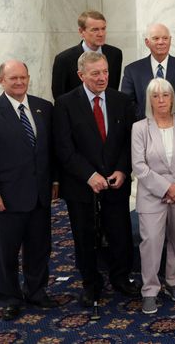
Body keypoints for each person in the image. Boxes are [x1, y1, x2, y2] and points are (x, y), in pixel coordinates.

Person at [0, 60, 58, 320]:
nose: (19, 82)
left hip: (39, 196)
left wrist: (54, 181)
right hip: (5, 199)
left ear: (28, 78)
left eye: (23, 77)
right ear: (1, 81)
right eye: (13, 79)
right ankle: (9, 297)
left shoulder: (44, 108)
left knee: (39, 247)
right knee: (6, 251)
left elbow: (49, 151)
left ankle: (37, 291)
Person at [53, 51, 138, 308]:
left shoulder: (121, 100)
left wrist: (123, 170)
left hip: (116, 182)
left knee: (120, 232)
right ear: (81, 75)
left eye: (105, 72)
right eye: (95, 73)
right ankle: (91, 283)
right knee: (84, 236)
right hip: (81, 185)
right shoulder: (66, 104)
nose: (102, 78)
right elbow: (64, 148)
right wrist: (89, 176)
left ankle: (121, 278)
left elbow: (128, 141)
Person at [132, 78, 175, 314]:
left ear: (172, 98)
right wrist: (166, 188)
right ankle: (150, 290)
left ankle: (173, 281)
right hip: (153, 195)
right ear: (149, 100)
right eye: (155, 96)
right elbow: (139, 166)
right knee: (151, 242)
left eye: (166, 95)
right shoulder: (140, 128)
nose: (161, 100)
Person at [121, 23, 175, 120]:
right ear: (147, 42)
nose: (161, 42)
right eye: (156, 38)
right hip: (144, 127)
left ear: (170, 40)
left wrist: (172, 120)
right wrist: (150, 120)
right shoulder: (132, 70)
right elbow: (128, 103)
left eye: (165, 38)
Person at [52, 10, 123, 100]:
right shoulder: (64, 59)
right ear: (81, 32)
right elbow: (59, 96)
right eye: (95, 30)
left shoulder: (115, 54)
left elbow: (113, 89)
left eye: (103, 29)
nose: (101, 34)